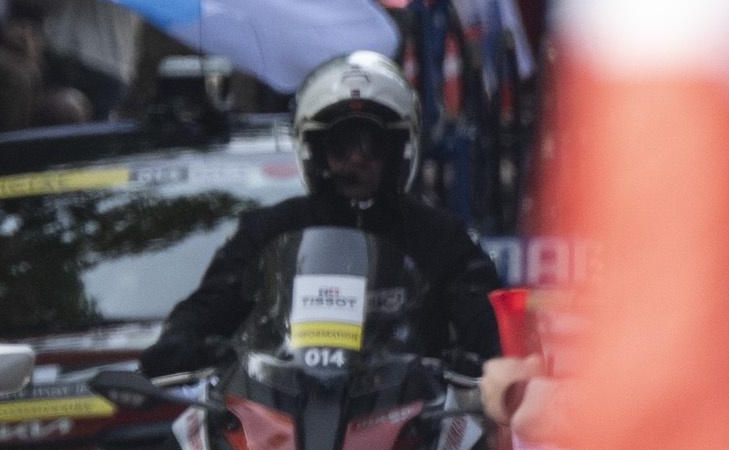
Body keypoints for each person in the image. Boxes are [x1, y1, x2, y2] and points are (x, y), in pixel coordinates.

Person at [148, 51, 504, 377]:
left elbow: (485, 315)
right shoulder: (269, 230)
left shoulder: (438, 236)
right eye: (342, 143)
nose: (357, 159)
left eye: (372, 144)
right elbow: (212, 302)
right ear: (317, 151)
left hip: (410, 410)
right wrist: (180, 340)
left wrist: (490, 355)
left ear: (397, 151)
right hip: (285, 404)